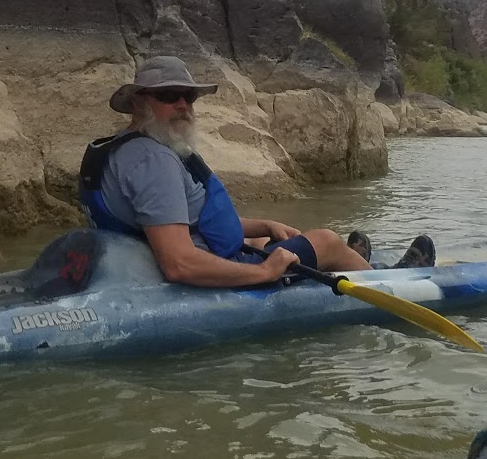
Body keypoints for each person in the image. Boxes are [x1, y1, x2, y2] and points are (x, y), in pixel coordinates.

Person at [79, 56, 434, 287]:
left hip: (200, 248)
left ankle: (346, 260)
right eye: (169, 95)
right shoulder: (153, 162)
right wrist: (264, 271)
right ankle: (389, 284)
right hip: (203, 268)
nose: (183, 104)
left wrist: (263, 224)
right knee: (324, 238)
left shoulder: (125, 147)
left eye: (189, 96)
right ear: (141, 102)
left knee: (263, 240)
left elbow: (181, 217)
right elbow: (178, 264)